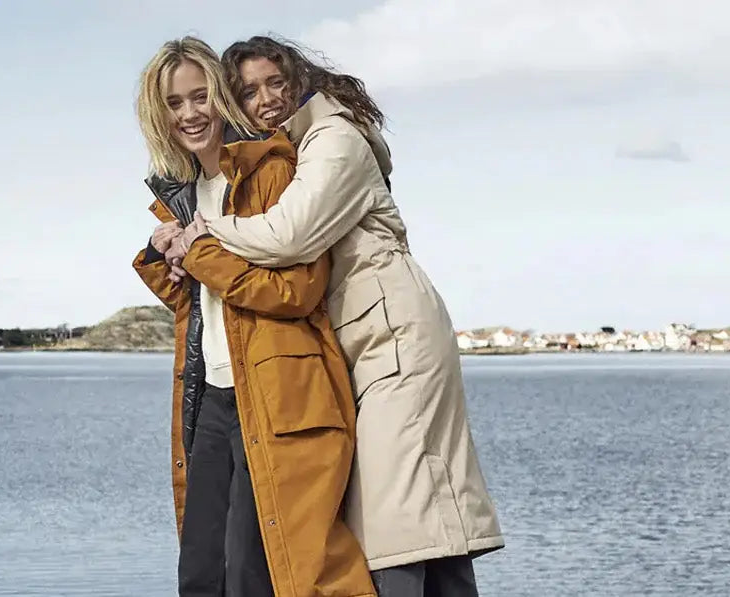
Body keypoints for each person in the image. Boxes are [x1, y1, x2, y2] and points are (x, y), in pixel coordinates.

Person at [166, 35, 506, 596]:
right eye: (249, 91)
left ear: (300, 78)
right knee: (416, 515)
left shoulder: (334, 138)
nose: (266, 99)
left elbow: (289, 237)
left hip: (395, 334)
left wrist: (200, 236)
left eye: (276, 82)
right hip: (366, 339)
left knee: (398, 517)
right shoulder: (296, 149)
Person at [130, 36, 376, 597]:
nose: (190, 114)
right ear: (158, 116)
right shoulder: (186, 195)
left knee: (261, 572)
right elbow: (209, 307)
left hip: (277, 391)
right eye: (174, 104)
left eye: (200, 97)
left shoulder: (269, 172)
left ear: (221, 97)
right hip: (212, 397)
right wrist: (160, 256)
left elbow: (297, 292)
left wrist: (200, 253)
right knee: (200, 575)